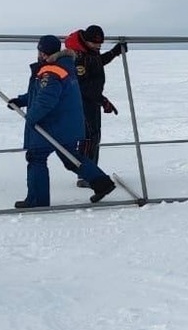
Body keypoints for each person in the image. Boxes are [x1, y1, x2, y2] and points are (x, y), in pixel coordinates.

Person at [7, 35, 117, 208]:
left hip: (54, 125)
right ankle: (103, 183)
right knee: (71, 157)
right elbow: (41, 94)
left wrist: (31, 118)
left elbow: (45, 100)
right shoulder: (64, 67)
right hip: (68, 124)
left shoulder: (50, 71)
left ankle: (37, 201)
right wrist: (21, 100)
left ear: (43, 53)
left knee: (36, 157)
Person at [63, 24, 126, 187]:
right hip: (83, 103)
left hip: (92, 102)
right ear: (86, 41)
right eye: (96, 44)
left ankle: (93, 172)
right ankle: (85, 175)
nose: (98, 46)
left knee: (94, 136)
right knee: (88, 138)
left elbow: (97, 63)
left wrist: (113, 53)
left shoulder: (89, 52)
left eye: (100, 44)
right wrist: (103, 100)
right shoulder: (79, 57)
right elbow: (83, 88)